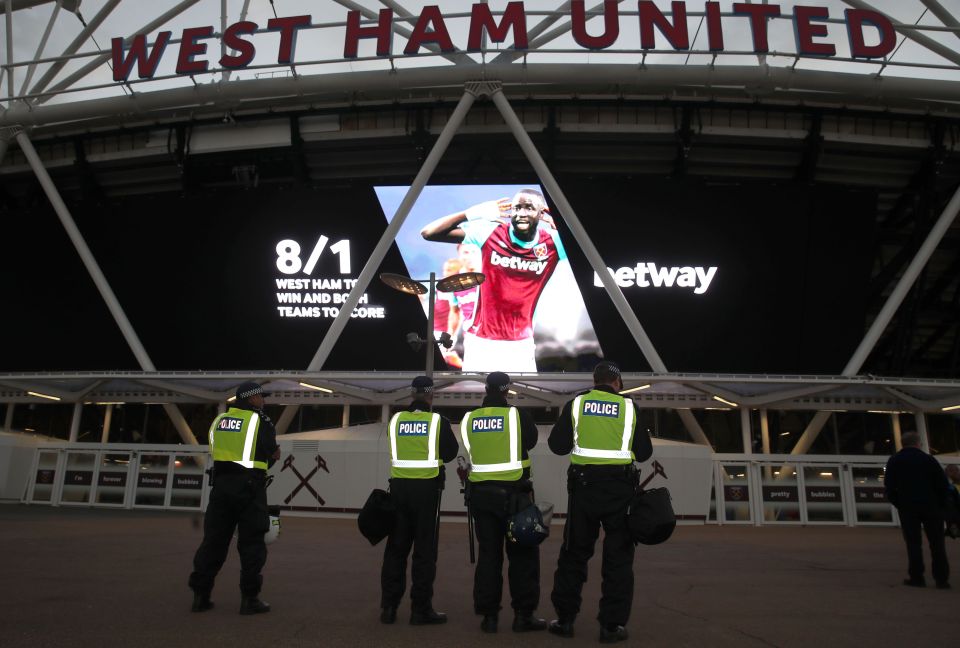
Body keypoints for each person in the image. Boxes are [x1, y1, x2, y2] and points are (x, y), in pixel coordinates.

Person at [546, 361, 653, 643]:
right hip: (621, 491)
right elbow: (643, 453)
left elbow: (557, 446)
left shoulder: (577, 404)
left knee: (574, 555)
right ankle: (611, 626)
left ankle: (565, 620)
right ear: (618, 383)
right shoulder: (630, 408)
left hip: (583, 491)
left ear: (595, 381)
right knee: (618, 559)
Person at [421, 189, 565, 373]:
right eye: (516, 208)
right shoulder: (491, 232)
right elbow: (428, 233)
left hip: (521, 345)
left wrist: (560, 221)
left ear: (540, 213)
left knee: (524, 401)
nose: (521, 213)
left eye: (529, 208)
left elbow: (590, 249)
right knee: (475, 400)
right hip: (481, 343)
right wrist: (471, 213)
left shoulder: (553, 243)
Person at [460, 371, 546, 634]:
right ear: (507, 391)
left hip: (481, 498)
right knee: (522, 556)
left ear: (486, 390)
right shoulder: (517, 416)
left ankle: (489, 617)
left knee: (489, 556)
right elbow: (530, 442)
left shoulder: (469, 420)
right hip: (515, 497)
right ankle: (523, 616)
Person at [188, 381, 280, 615]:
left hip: (220, 488)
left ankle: (200, 595)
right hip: (250, 489)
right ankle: (250, 599)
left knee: (213, 542)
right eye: (261, 397)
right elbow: (271, 452)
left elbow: (215, 451)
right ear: (251, 398)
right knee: (252, 544)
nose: (263, 401)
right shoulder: (260, 420)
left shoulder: (219, 421)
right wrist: (272, 458)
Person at [380, 376, 458, 625]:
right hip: (426, 492)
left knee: (396, 550)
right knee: (424, 552)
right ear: (431, 395)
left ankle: (389, 608)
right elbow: (449, 453)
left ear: (412, 394)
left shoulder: (395, 421)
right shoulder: (437, 422)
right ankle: (420, 610)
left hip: (399, 490)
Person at [884, 431, 952, 589]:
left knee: (913, 543)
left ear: (902, 443)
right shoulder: (929, 460)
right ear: (918, 443)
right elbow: (942, 485)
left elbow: (890, 486)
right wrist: (940, 504)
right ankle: (941, 579)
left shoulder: (895, 460)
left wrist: (900, 503)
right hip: (931, 507)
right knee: (937, 544)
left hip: (908, 508)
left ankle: (917, 576)